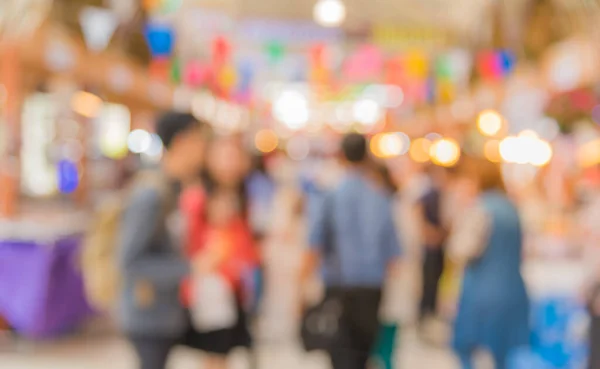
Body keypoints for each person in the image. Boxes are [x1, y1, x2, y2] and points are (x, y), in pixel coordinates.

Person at [117, 112, 209, 369]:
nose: (204, 148)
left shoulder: (177, 187)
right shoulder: (151, 194)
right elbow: (130, 262)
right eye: (199, 140)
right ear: (182, 141)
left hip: (166, 313)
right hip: (148, 315)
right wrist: (190, 267)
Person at [301, 133, 402, 369]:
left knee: (340, 354)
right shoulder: (380, 197)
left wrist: (302, 285)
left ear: (341, 157)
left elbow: (314, 245)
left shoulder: (330, 196)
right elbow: (394, 257)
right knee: (363, 354)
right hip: (372, 288)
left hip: (339, 286)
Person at [180, 136, 258, 369]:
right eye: (224, 156)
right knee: (214, 353)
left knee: (224, 352)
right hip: (209, 288)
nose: (230, 163)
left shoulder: (242, 196)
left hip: (233, 287)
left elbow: (246, 246)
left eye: (235, 156)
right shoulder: (197, 198)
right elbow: (189, 246)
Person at [447, 156, 530, 369]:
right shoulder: (511, 207)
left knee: (466, 348)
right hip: (512, 289)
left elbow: (461, 250)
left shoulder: (480, 209)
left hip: (482, 294)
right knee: (502, 354)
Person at [415, 165, 450, 330]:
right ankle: (424, 313)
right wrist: (429, 234)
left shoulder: (443, 195)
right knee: (427, 280)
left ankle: (431, 311)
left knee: (436, 280)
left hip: (440, 246)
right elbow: (418, 214)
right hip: (429, 246)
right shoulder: (427, 196)